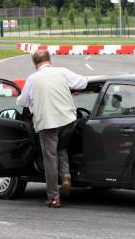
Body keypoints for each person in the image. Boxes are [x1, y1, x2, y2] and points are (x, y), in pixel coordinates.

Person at [16, 50, 88, 208]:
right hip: (68, 121)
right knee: (61, 148)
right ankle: (66, 177)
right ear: (50, 60)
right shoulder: (62, 72)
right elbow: (83, 83)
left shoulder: (33, 79)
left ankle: (54, 197)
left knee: (50, 158)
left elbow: (22, 102)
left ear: (35, 65)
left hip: (48, 124)